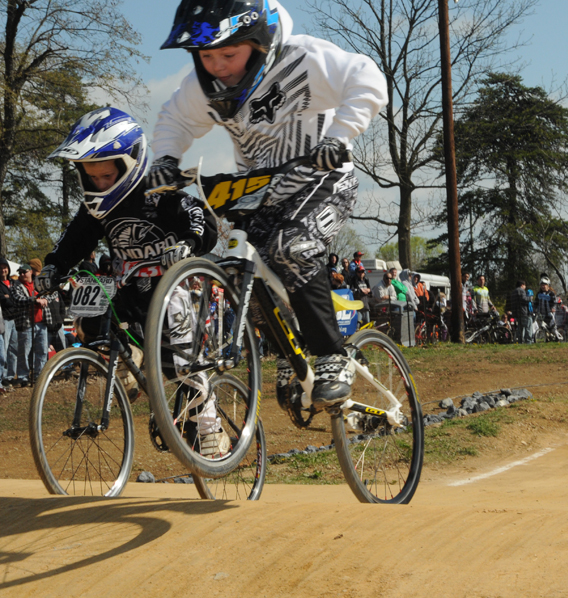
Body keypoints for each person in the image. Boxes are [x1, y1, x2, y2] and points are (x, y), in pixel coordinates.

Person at [150, 0, 388, 411]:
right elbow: (175, 118)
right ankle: (287, 351)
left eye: (229, 54)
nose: (218, 66)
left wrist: (340, 136)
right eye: (206, 56)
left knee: (292, 247)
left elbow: (366, 77)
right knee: (240, 271)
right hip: (261, 192)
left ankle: (332, 356)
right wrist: (165, 160)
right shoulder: (202, 87)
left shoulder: (302, 58)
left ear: (261, 41)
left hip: (322, 178)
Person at [33, 108, 220, 452]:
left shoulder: (158, 192)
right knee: (89, 313)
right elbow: (75, 239)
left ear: (130, 163)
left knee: (180, 366)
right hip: (126, 286)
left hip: (169, 287)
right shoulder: (96, 208)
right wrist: (53, 268)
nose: (100, 184)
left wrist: (189, 243)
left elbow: (199, 216)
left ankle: (209, 427)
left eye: (106, 175)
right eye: (92, 177)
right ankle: (124, 364)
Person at [9, 261, 51, 386]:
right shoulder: (16, 285)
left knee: (42, 351)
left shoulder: (39, 283)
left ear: (31, 272)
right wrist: (35, 300)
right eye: (20, 273)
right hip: (26, 323)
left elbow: (51, 293)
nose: (22, 274)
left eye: (25, 272)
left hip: (41, 322)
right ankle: (23, 376)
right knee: (24, 352)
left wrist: (45, 299)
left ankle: (39, 375)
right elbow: (18, 299)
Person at [0, 257, 17, 386]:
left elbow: (15, 298)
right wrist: (8, 298)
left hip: (15, 319)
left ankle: (11, 374)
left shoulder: (13, 282)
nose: (3, 270)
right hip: (5, 319)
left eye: (5, 267)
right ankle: (4, 375)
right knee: (4, 349)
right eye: (0, 268)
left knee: (14, 348)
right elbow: (3, 300)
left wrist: (8, 297)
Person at [508, 279, 530, 344]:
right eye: (525, 285)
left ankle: (520, 341)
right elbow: (524, 299)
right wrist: (530, 298)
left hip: (516, 313)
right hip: (522, 312)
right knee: (526, 327)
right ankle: (527, 341)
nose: (525, 287)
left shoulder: (513, 292)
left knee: (519, 328)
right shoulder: (521, 291)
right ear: (522, 285)